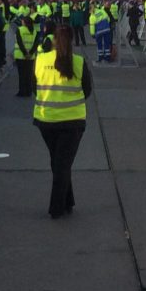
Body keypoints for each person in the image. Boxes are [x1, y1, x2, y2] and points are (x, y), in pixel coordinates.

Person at [32, 22, 93, 219]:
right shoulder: (79, 62)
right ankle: (57, 208)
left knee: (58, 162)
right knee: (62, 164)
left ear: (54, 40)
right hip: (72, 120)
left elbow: (35, 87)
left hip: (46, 119)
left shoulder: (40, 60)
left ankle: (68, 201)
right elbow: (87, 90)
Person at [13, 14, 39, 98]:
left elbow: (20, 43)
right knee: (29, 74)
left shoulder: (19, 29)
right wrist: (30, 53)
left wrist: (25, 53)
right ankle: (29, 91)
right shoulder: (34, 31)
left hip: (20, 55)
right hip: (31, 56)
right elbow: (36, 44)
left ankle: (22, 91)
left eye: (22, 20)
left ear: (24, 22)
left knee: (22, 74)